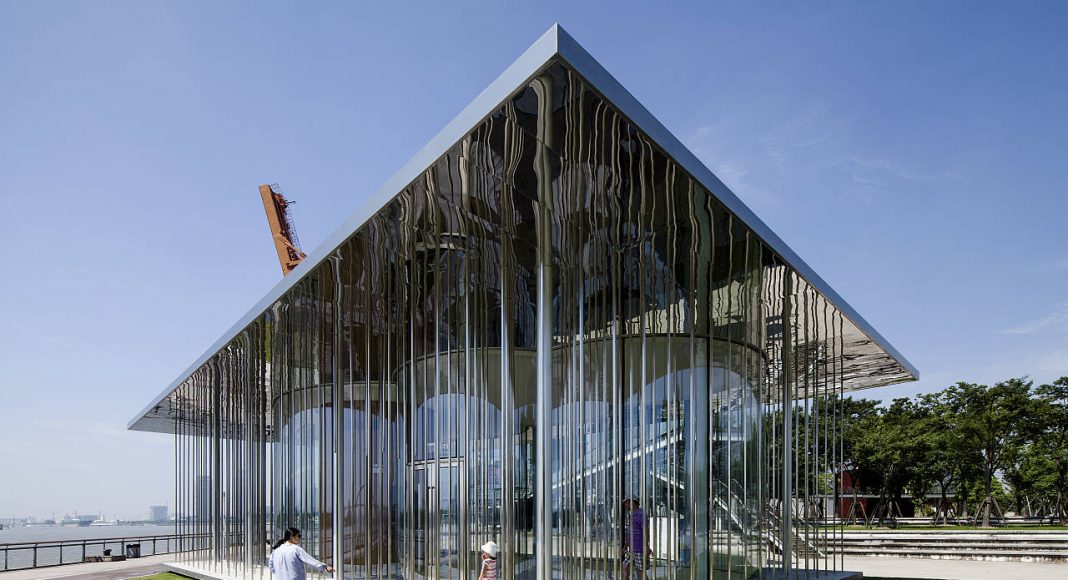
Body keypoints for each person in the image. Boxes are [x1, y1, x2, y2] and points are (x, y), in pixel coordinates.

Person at [268, 527, 334, 580]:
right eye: (298, 536)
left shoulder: (276, 550)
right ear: (292, 537)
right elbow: (310, 560)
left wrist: (281, 574)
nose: (300, 538)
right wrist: (325, 567)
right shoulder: (295, 549)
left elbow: (271, 567)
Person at [621, 497, 650, 580]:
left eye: (627, 502)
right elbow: (630, 532)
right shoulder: (631, 514)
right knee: (625, 566)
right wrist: (626, 546)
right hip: (632, 549)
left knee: (640, 571)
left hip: (639, 548)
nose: (625, 505)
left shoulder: (641, 514)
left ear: (633, 503)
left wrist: (646, 546)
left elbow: (646, 531)